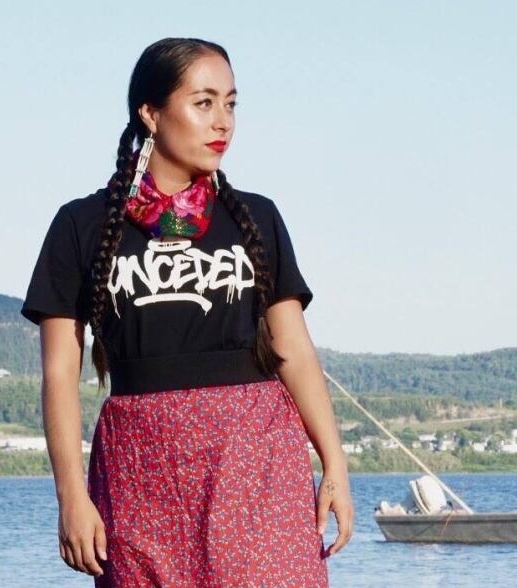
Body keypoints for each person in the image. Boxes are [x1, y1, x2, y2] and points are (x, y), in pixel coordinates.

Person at [20, 37, 353, 587]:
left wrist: (334, 463)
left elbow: (294, 350)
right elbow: (59, 373)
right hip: (140, 466)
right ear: (150, 114)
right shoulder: (80, 226)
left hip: (257, 461)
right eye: (203, 103)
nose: (222, 121)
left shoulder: (257, 217)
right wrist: (71, 497)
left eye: (230, 103)